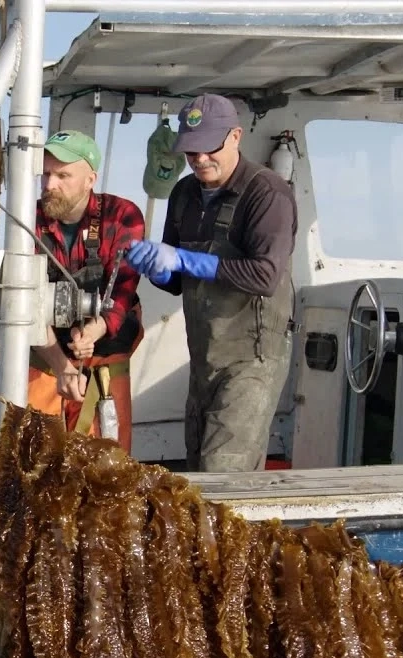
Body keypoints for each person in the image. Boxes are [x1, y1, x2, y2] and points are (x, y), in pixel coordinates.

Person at [126, 94, 297, 473]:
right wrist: (158, 268)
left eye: (209, 148)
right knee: (196, 468)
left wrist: (184, 258)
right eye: (191, 152)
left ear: (235, 136)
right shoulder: (185, 194)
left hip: (252, 359)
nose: (201, 159)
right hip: (204, 356)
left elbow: (265, 276)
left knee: (223, 473)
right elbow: (175, 284)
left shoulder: (267, 194)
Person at [27, 130, 146, 452]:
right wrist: (62, 365)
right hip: (46, 353)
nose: (50, 184)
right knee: (35, 455)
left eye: (63, 175)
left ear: (90, 179)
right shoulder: (27, 219)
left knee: (108, 461)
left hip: (105, 355)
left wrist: (93, 332)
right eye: (46, 174)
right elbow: (23, 301)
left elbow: (122, 290)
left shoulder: (122, 215)